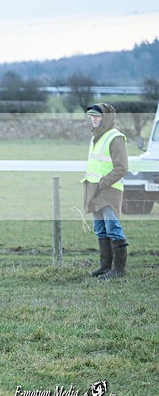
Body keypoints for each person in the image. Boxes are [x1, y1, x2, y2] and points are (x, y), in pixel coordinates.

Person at [82, 103, 129, 279]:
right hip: (94, 190)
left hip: (109, 191)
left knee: (113, 228)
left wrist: (103, 183)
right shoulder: (96, 137)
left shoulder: (115, 138)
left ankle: (118, 270)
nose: (93, 118)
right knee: (100, 229)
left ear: (106, 118)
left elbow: (122, 168)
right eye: (92, 116)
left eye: (97, 116)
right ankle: (105, 266)